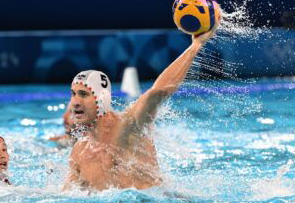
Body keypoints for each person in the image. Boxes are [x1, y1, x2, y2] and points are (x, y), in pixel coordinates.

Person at [63, 21, 220, 191]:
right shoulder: (80, 151)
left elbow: (158, 92)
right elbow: (65, 195)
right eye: (73, 94)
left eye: (84, 94)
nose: (75, 102)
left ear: (102, 100)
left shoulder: (129, 126)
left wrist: (196, 45)